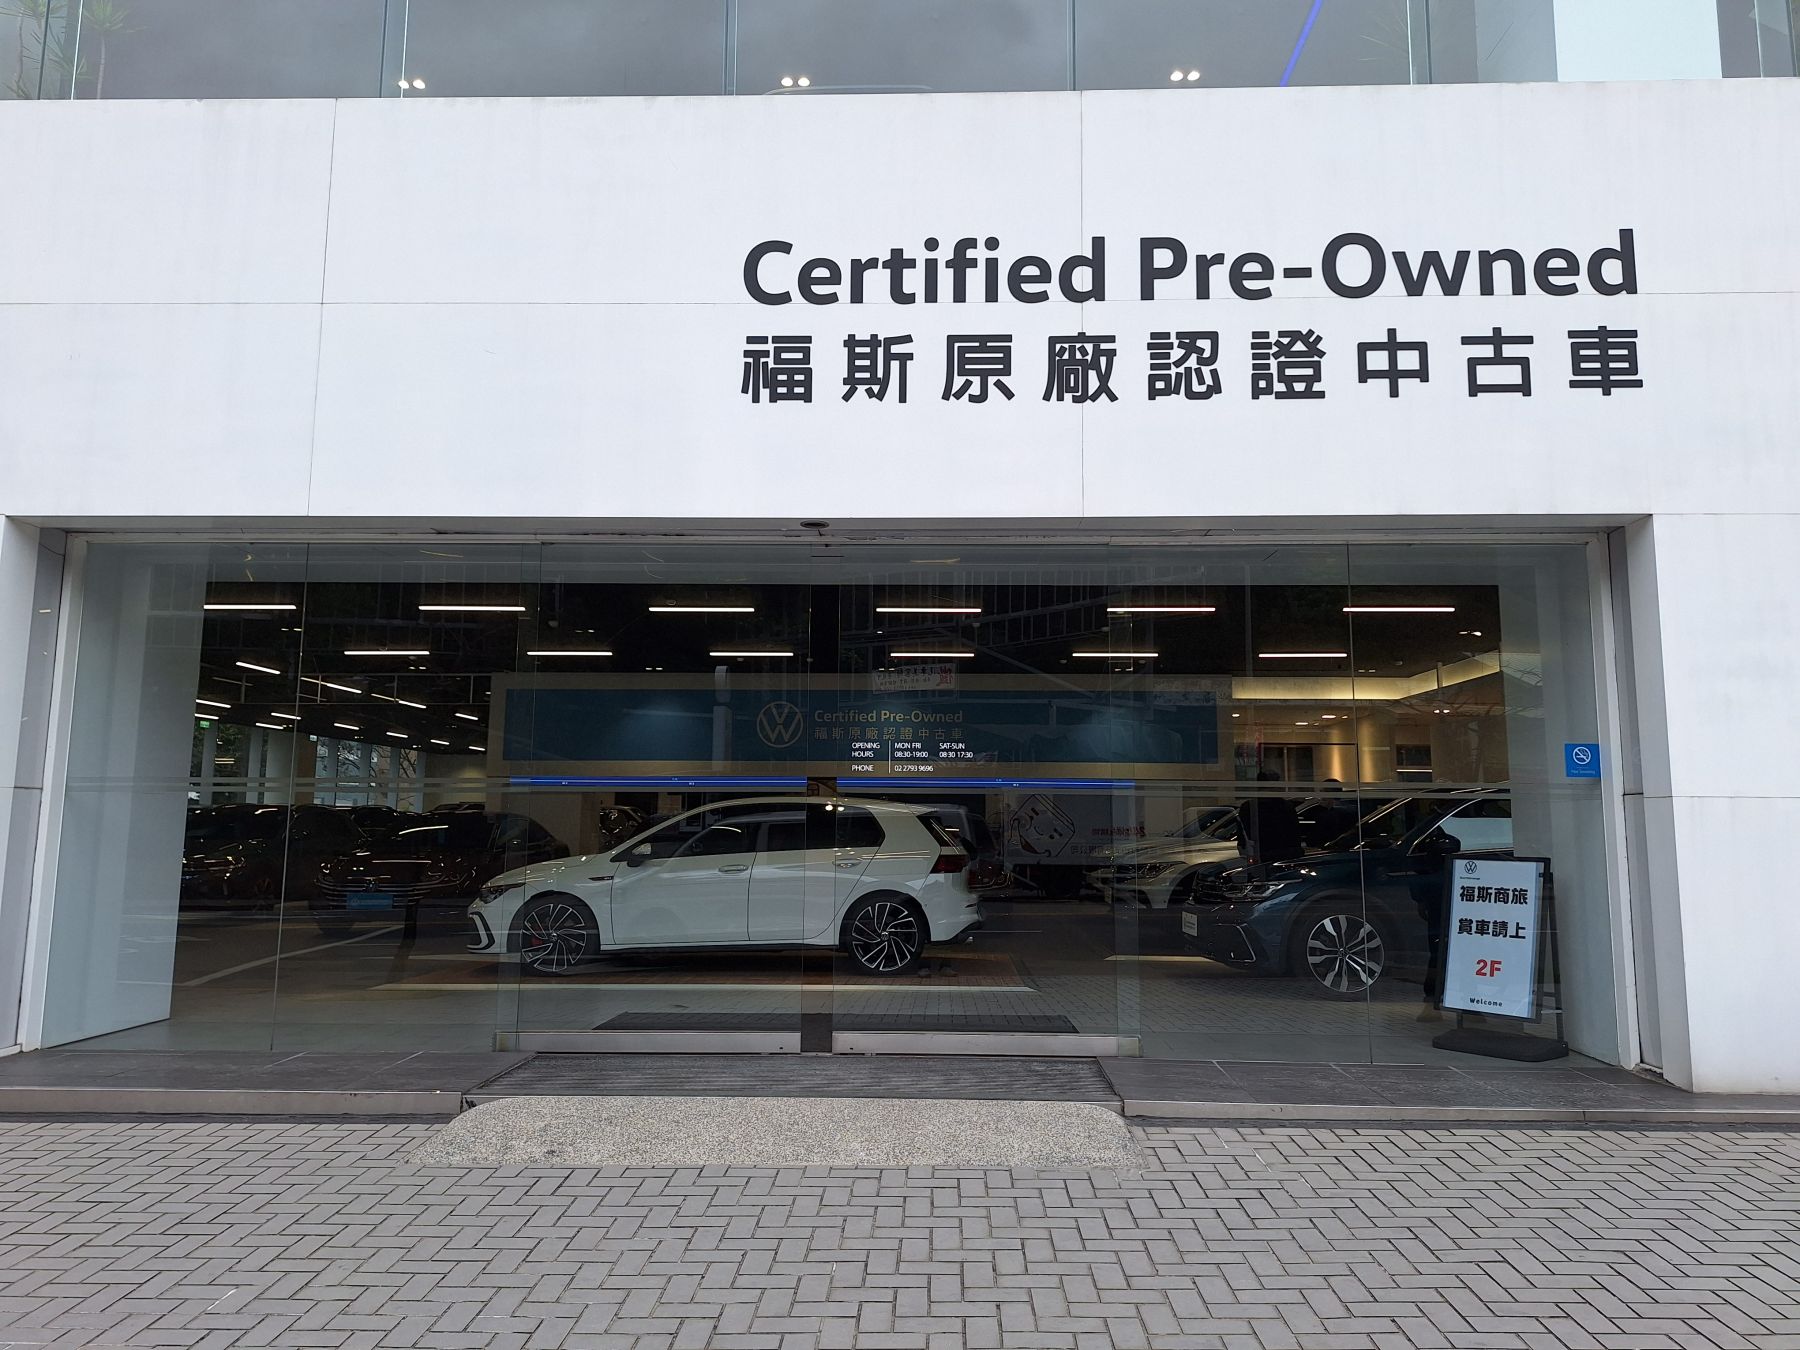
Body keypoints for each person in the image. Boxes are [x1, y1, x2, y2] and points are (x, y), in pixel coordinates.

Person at [1238, 768, 1304, 867]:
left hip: (1261, 855)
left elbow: (1243, 834)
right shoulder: (1285, 806)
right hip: (1282, 856)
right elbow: (1294, 833)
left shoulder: (1249, 807)